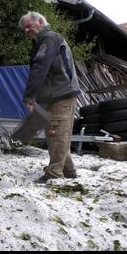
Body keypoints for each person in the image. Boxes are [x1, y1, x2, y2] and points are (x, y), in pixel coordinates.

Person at [18, 11, 81, 182]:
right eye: (24, 29)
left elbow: (40, 67)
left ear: (40, 21)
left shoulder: (49, 39)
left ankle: (53, 174)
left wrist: (29, 96)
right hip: (56, 94)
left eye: (28, 26)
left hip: (61, 93)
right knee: (58, 133)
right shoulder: (45, 40)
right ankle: (69, 170)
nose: (26, 31)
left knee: (57, 133)